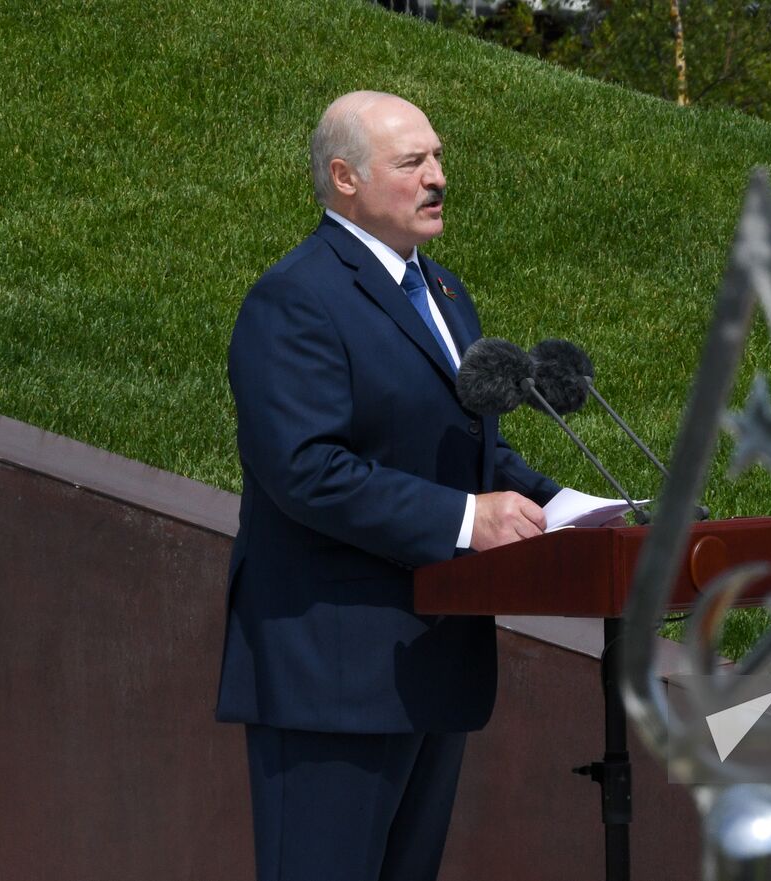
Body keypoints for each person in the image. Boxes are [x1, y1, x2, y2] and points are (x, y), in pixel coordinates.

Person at [215, 91, 560, 881]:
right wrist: (466, 519)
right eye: (413, 162)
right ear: (345, 177)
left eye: (438, 157)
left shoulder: (446, 294)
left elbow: (465, 448)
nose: (438, 177)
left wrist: (567, 508)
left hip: (431, 663)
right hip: (332, 674)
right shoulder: (296, 297)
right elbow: (305, 468)